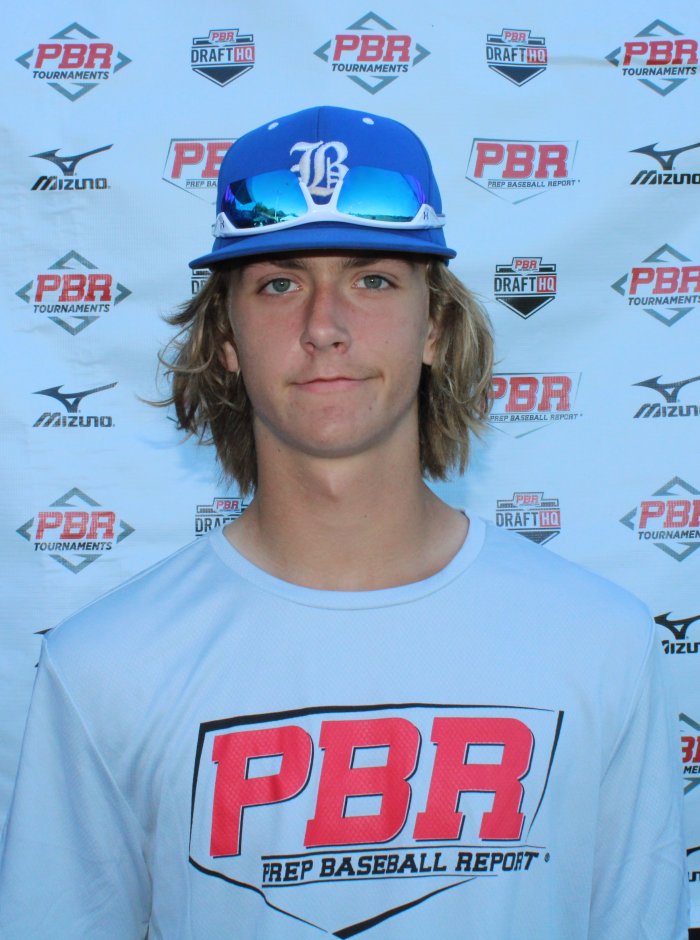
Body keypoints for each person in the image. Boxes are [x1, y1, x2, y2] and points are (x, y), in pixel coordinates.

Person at [0, 106, 687, 939]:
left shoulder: (599, 641)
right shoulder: (106, 666)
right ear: (226, 339)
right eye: (280, 284)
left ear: (434, 326)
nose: (324, 327)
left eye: (373, 281)